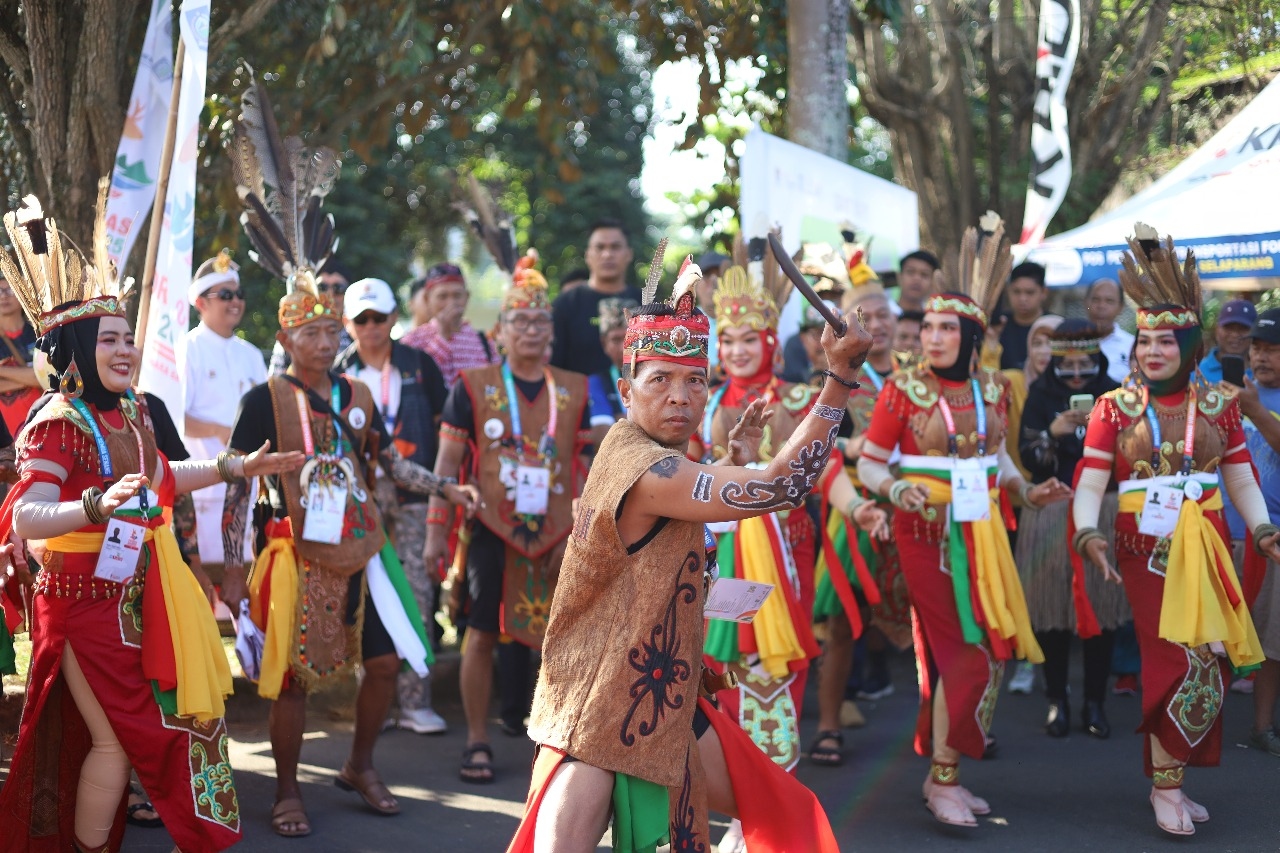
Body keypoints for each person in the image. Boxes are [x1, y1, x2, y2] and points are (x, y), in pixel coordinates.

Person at [508, 254, 859, 853]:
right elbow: (780, 485)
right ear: (626, 390)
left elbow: (677, 513)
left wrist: (728, 460)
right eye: (660, 380)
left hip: (659, 694)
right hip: (598, 707)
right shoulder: (646, 467)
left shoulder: (644, 454)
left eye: (695, 381)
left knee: (788, 813)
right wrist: (840, 379)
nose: (680, 396)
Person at [0, 186, 301, 853]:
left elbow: (164, 479)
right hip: (78, 603)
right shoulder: (59, 421)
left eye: (127, 339)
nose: (125, 350)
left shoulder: (134, 411)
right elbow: (25, 517)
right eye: (108, 339)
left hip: (137, 597)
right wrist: (94, 505)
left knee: (168, 729)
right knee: (122, 738)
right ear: (77, 346)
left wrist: (235, 467)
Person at [218, 92, 480, 837]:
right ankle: (286, 790)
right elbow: (237, 478)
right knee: (293, 679)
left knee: (387, 664)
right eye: (314, 331)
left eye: (333, 329)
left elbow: (386, 465)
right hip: (293, 550)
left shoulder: (358, 394)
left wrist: (446, 485)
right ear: (286, 336)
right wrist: (233, 566)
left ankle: (360, 763)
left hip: (363, 546)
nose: (327, 338)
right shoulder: (265, 396)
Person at [857, 216, 1071, 828]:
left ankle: (941, 773)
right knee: (965, 652)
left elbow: (996, 460)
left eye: (947, 328)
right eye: (928, 326)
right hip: (924, 534)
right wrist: (896, 487)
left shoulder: (994, 390)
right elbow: (869, 463)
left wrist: (1027, 492)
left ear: (972, 335)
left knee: (985, 651)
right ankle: (945, 778)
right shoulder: (902, 391)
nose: (933, 336)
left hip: (984, 533)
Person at [1073, 227, 1280, 836]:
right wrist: (1087, 533)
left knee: (1210, 666)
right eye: (1145, 340)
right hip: (1145, 553)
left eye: (1166, 340)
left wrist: (1262, 529)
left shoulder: (1220, 404)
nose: (1153, 350)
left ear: (1189, 346)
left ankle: (1172, 778)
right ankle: (1166, 786)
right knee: (1175, 663)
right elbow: (1090, 481)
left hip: (1210, 550)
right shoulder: (1113, 408)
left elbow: (1239, 477)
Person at [689, 264, 885, 817]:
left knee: (776, 668)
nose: (737, 350)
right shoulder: (701, 402)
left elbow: (826, 469)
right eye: (728, 339)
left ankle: (769, 807)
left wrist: (858, 507)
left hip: (785, 554)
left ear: (771, 342)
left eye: (748, 339)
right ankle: (736, 805)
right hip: (718, 554)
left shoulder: (801, 399)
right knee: (718, 668)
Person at [425, 252, 591, 785]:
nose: (532, 330)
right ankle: (477, 738)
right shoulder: (472, 385)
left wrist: (586, 526)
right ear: (500, 331)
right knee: (479, 633)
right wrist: (434, 534)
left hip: (560, 532)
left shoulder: (575, 387)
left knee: (562, 636)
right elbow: (446, 465)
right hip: (491, 528)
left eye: (541, 321)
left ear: (552, 331)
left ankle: (555, 742)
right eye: (521, 320)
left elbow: (589, 463)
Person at [335, 276, 452, 735]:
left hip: (413, 493)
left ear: (394, 318)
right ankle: (373, 704)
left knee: (417, 591)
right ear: (348, 323)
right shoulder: (337, 373)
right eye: (361, 319)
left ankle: (415, 701)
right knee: (362, 595)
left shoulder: (420, 365)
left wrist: (442, 492)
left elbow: (445, 431)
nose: (370, 326)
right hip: (356, 498)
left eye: (378, 317)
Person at [1015, 320, 1127, 735]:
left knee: (1102, 607)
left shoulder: (1116, 395)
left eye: (1085, 364)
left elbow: (1128, 457)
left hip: (1103, 511)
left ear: (1098, 358)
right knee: (1052, 613)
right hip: (1050, 509)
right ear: (1054, 362)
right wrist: (1052, 432)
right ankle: (1056, 700)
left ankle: (1095, 703)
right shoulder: (1039, 395)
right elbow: (1028, 458)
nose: (1077, 374)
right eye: (1067, 365)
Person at [812, 284, 906, 767]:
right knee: (843, 621)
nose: (878, 324)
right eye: (865, 316)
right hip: (854, 505)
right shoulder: (838, 377)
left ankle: (948, 735)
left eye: (884, 314)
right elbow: (818, 448)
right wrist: (851, 449)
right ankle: (828, 725)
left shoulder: (917, 376)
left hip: (912, 504)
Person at [182, 250, 267, 575]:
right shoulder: (186, 349)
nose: (236, 302)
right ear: (200, 302)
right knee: (208, 582)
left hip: (249, 489)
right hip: (204, 490)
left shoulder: (251, 355)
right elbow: (174, 418)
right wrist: (220, 432)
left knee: (248, 578)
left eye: (239, 294)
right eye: (226, 295)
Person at [1220, 307, 1280, 756]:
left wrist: (1256, 410)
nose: (1260, 357)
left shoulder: (1252, 399)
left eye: (1273, 349)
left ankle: (1262, 728)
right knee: (1215, 637)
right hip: (1221, 532)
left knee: (1272, 640)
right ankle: (1199, 726)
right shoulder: (1228, 391)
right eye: (1257, 347)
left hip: (1272, 538)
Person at [549, 218, 641, 376]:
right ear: (587, 255)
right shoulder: (565, 304)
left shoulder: (646, 303)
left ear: (629, 254)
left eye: (615, 247)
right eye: (600, 247)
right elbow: (553, 365)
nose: (607, 254)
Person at [400, 262, 498, 387]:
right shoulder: (412, 341)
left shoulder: (484, 343)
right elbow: (413, 380)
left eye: (457, 296)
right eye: (442, 296)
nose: (451, 303)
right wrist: (443, 336)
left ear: (467, 297)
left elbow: (495, 385)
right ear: (427, 299)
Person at [267, 258, 352, 376]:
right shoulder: (292, 337)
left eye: (338, 288)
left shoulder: (359, 334)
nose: (330, 294)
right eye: (322, 287)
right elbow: (275, 381)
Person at [586, 296, 637, 443]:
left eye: (629, 338)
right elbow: (604, 438)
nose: (623, 347)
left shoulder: (658, 377)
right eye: (616, 340)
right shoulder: (596, 382)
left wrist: (620, 419)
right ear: (604, 344)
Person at [0, 274, 41, 438]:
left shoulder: (39, 334)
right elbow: (38, 378)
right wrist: (31, 377)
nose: (4, 296)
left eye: (10, 290)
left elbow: (48, 378)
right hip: (5, 440)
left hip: (40, 429)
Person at [998, 261, 1049, 370]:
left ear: (1043, 293)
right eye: (1016, 292)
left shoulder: (1053, 326)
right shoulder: (998, 326)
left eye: (1029, 292)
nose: (1022, 299)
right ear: (1008, 291)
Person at [1085, 278, 1134, 383]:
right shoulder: (1073, 342)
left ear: (1121, 307)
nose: (1101, 306)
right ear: (1086, 303)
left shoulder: (1132, 345)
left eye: (1109, 301)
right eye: (1095, 300)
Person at [1198, 298, 1256, 384]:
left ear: (1255, 332)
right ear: (1217, 330)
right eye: (1228, 327)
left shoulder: (1263, 374)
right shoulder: (1197, 372)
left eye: (1243, 328)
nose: (1235, 334)